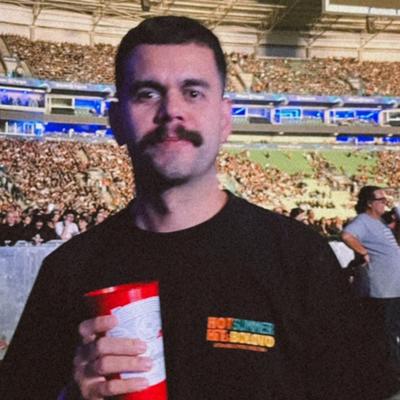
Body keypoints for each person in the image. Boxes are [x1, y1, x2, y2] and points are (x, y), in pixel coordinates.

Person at [1, 16, 398, 400]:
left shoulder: (300, 258)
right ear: (116, 120)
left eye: (193, 92)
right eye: (147, 94)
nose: (171, 111)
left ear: (225, 120)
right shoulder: (68, 271)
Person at [342, 185, 400, 378]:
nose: (385, 203)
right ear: (369, 203)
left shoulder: (380, 222)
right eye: (381, 200)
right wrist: (363, 252)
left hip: (393, 286)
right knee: (385, 332)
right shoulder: (363, 221)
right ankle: (391, 372)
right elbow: (347, 235)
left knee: (392, 330)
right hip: (382, 288)